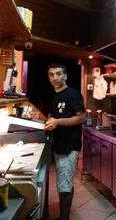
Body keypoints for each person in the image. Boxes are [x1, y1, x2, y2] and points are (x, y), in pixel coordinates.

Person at [44, 63, 85, 220]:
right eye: (51, 74)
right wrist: (47, 121)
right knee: (62, 183)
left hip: (69, 146)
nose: (55, 77)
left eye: (59, 73)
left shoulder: (72, 94)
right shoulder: (55, 95)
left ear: (65, 76)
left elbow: (81, 118)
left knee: (65, 185)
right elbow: (53, 116)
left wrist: (57, 122)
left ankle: (64, 218)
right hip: (59, 145)